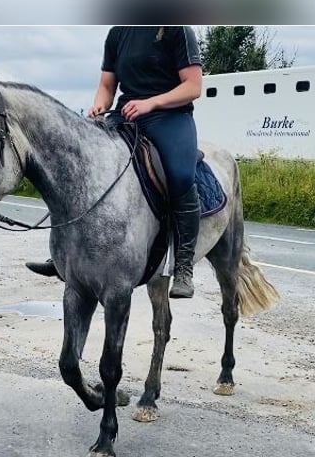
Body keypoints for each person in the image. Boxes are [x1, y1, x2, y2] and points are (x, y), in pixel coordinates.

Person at [26, 26, 203, 299]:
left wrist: (151, 103)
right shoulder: (119, 33)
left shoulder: (177, 30)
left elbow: (193, 86)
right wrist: (99, 106)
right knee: (83, 166)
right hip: (126, 115)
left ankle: (183, 265)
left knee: (180, 175)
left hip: (170, 117)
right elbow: (107, 86)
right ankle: (64, 255)